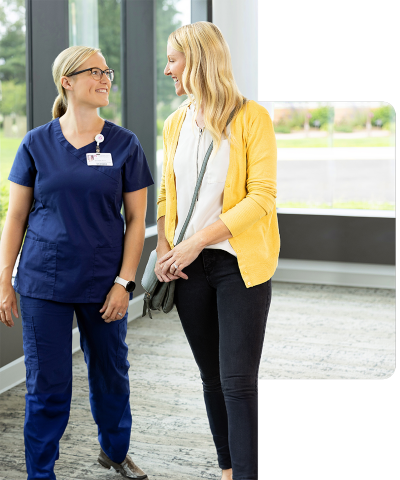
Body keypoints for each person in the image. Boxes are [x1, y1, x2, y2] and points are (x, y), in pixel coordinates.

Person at [0, 45, 154, 480]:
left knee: (110, 374)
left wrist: (124, 283)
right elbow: (15, 217)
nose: (106, 78)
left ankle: (115, 451)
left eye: (108, 72)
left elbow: (137, 219)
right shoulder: (35, 143)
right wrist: (4, 281)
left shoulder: (124, 144)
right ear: (67, 81)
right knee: (47, 387)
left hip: (103, 282)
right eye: (95, 72)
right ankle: (40, 473)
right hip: (41, 282)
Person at [155, 22, 279, 480]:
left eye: (173, 59)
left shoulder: (251, 118)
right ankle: (227, 469)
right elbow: (168, 195)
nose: (167, 70)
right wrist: (167, 250)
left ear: (199, 60)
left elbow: (261, 197)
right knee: (211, 378)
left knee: (238, 381)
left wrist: (194, 242)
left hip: (237, 264)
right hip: (187, 270)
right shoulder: (174, 123)